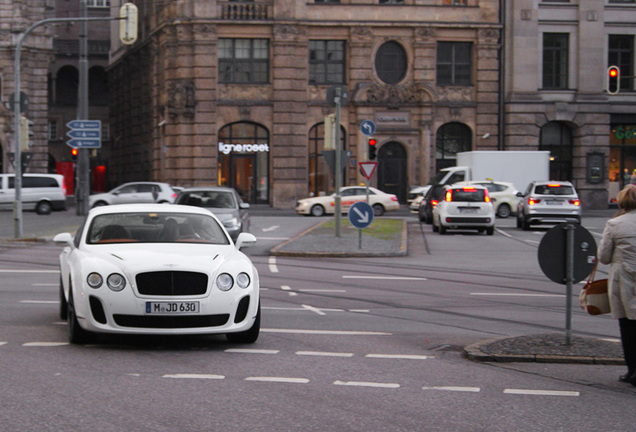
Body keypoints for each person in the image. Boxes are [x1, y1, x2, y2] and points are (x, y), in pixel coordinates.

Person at [599, 184, 636, 385]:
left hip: (625, 280)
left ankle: (632, 370)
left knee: (627, 326)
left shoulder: (615, 224)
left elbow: (604, 257)